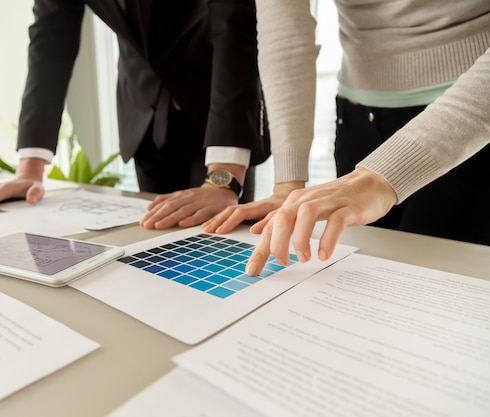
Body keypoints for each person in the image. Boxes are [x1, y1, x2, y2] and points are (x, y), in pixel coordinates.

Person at [201, 0, 490, 275]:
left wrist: (379, 177)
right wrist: (287, 185)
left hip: (470, 121)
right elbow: (285, 35)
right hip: (357, 120)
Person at [0, 0, 270, 229]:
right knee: (154, 243)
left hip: (221, 116)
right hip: (142, 115)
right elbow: (50, 44)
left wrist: (223, 179)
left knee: (219, 244)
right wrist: (29, 170)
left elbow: (234, 26)